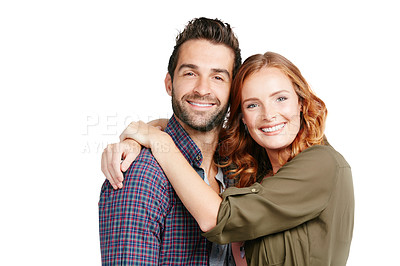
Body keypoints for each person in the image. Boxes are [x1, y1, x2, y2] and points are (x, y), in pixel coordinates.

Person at [110, 52, 355, 265]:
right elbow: (198, 133)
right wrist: (137, 139)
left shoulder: (323, 164)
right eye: (252, 105)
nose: (269, 115)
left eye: (281, 98)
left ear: (300, 102)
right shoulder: (252, 167)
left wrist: (158, 141)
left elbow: (216, 218)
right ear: (242, 118)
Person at [98, 17, 244, 265]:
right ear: (169, 83)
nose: (202, 89)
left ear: (233, 90)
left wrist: (153, 131)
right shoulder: (141, 175)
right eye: (190, 73)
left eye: (218, 77)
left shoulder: (239, 169)